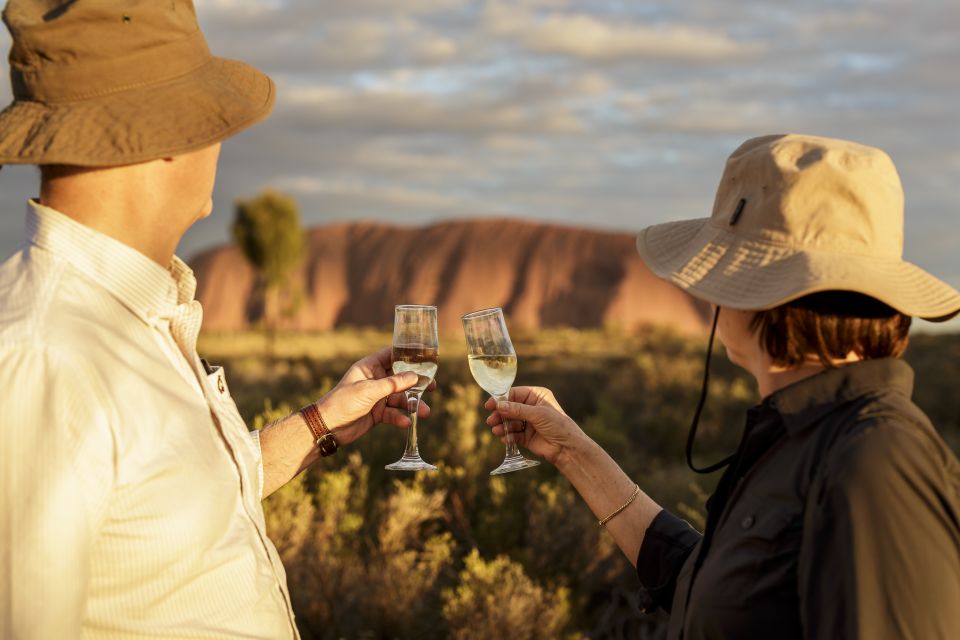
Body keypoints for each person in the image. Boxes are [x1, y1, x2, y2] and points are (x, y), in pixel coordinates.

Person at [0, 2, 430, 638]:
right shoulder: (44, 356)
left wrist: (321, 423)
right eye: (210, 117)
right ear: (166, 135)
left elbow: (175, 506)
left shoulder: (133, 313)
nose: (219, 142)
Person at [486, 134, 960, 639]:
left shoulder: (876, 460)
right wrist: (572, 451)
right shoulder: (805, 432)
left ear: (767, 295)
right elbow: (712, 591)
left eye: (723, 268)